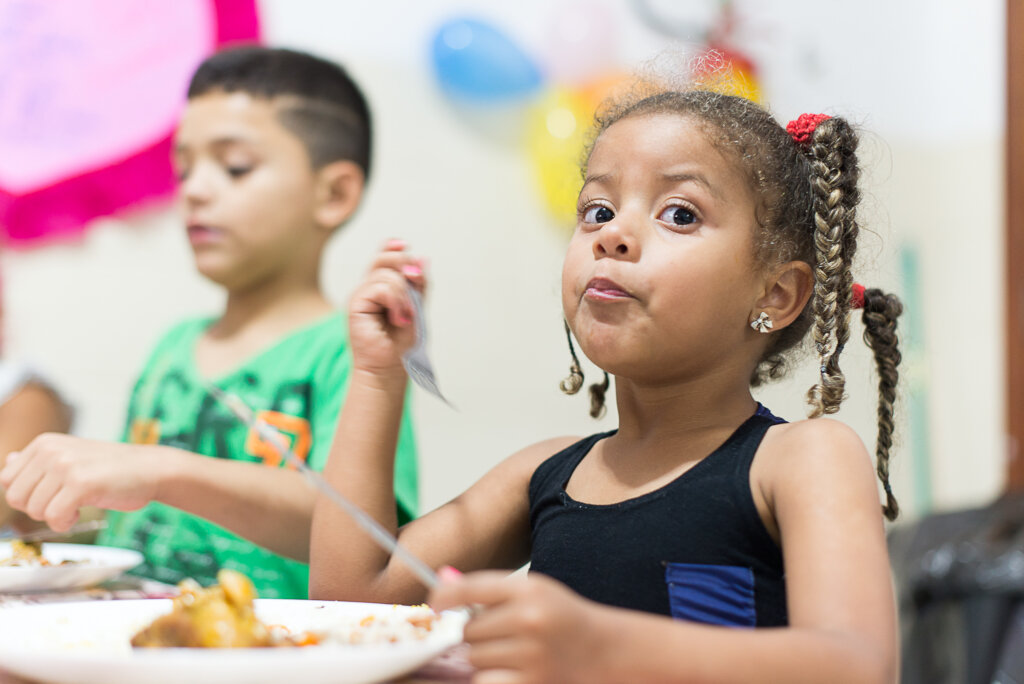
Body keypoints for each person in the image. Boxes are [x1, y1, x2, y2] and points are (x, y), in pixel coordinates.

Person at [309, 87, 904, 682]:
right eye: (598, 210)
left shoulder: (801, 458)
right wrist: (377, 376)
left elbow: (858, 666)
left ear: (774, 294)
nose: (611, 234)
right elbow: (352, 597)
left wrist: (599, 645)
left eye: (680, 214)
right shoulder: (542, 474)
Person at [0, 46, 419, 599]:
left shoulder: (356, 354)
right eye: (183, 169)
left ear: (334, 193)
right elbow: (135, 518)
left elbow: (360, 530)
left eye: (235, 166)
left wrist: (161, 470)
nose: (194, 190)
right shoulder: (173, 346)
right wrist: (56, 500)